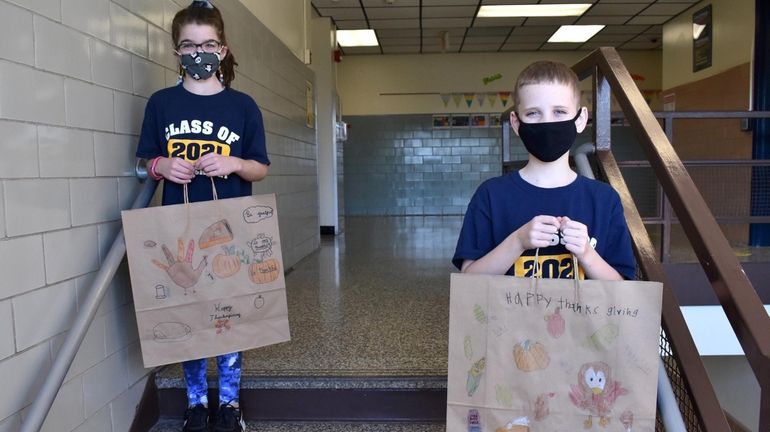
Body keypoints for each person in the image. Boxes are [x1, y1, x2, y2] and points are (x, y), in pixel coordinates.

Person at [135, 1, 269, 431]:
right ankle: (196, 403)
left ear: (223, 49)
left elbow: (260, 167)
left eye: (208, 44)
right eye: (189, 45)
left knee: (229, 315)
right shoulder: (161, 103)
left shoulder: (243, 106)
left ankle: (229, 405)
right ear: (176, 51)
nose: (199, 53)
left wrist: (233, 164)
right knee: (191, 316)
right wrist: (161, 166)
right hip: (179, 228)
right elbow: (143, 162)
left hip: (230, 226)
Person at [453, 60, 635, 280]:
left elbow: (623, 287)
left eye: (559, 111)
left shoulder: (604, 199)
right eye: (533, 113)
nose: (547, 123)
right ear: (516, 122)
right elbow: (468, 280)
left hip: (584, 316)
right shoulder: (491, 195)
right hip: (511, 315)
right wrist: (518, 241)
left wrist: (587, 253)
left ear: (580, 119)